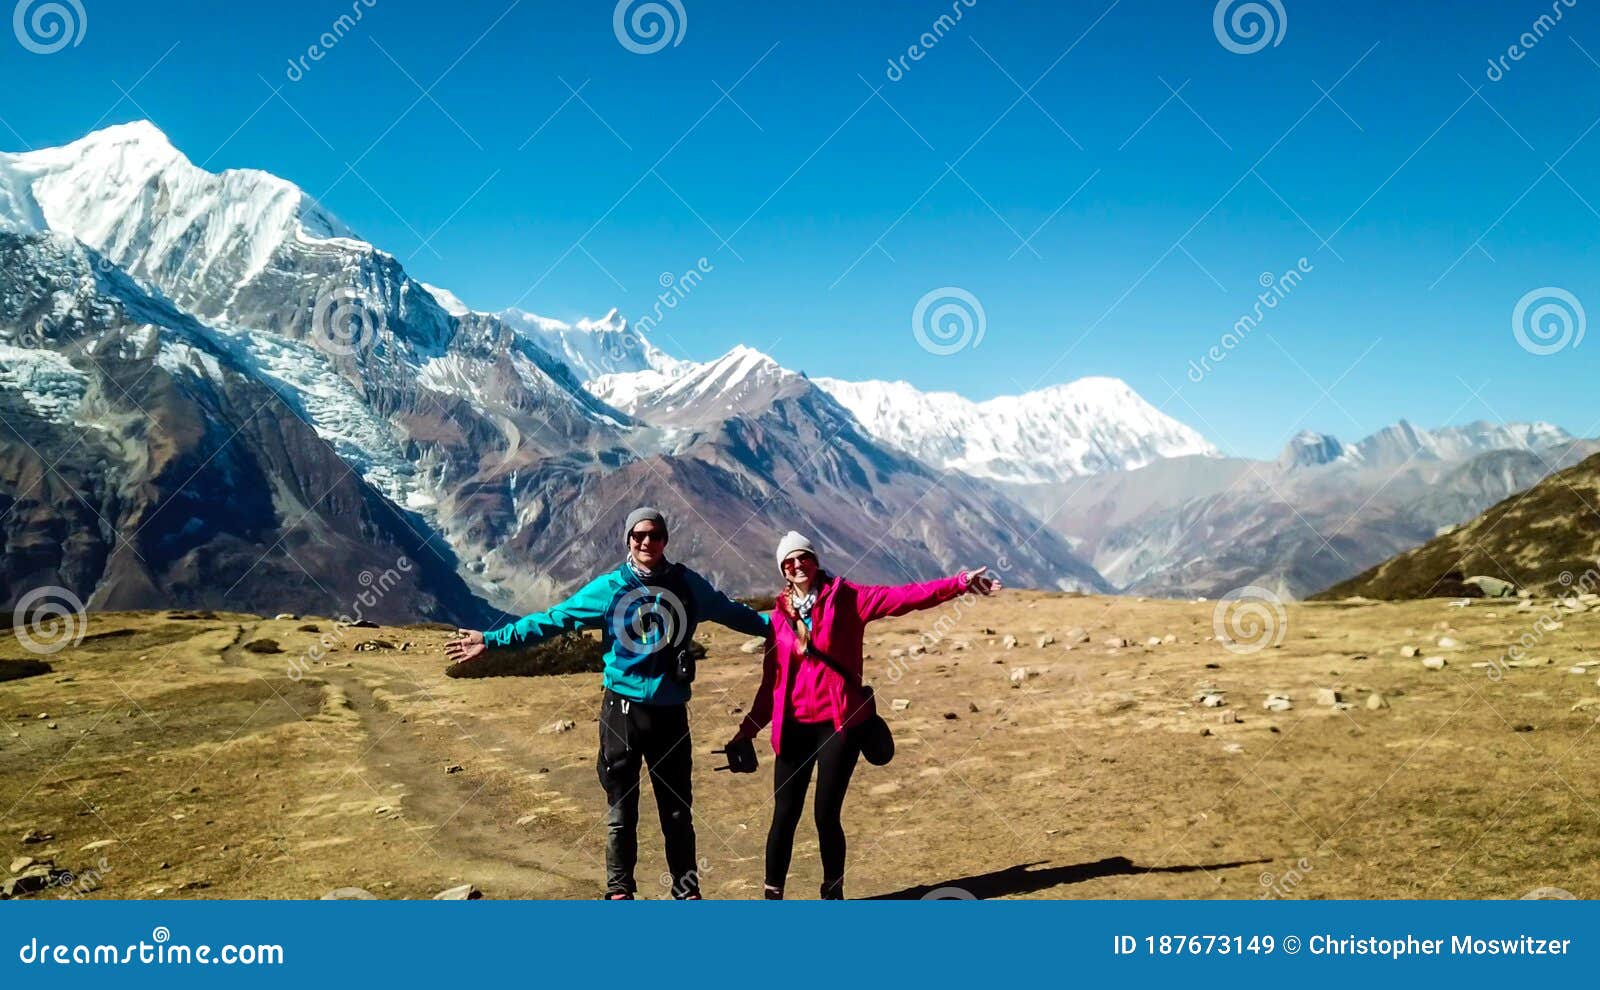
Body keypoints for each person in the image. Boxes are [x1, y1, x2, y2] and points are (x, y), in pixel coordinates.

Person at [446, 507, 769, 900]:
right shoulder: (610, 587)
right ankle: (619, 893)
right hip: (622, 714)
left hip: (670, 715)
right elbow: (554, 619)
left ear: (665, 539)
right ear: (628, 540)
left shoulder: (687, 585)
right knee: (621, 813)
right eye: (638, 536)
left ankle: (687, 893)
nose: (646, 542)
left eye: (654, 535)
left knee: (678, 813)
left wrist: (785, 627)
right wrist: (492, 640)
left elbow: (731, 611)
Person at [727, 531, 999, 900]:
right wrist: (747, 731)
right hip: (793, 729)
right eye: (788, 562)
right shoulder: (778, 618)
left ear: (815, 560)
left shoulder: (848, 598)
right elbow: (770, 684)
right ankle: (773, 896)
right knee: (784, 816)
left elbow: (906, 598)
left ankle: (832, 893)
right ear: (782, 570)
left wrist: (959, 584)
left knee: (825, 815)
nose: (796, 566)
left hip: (838, 726)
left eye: (802, 557)